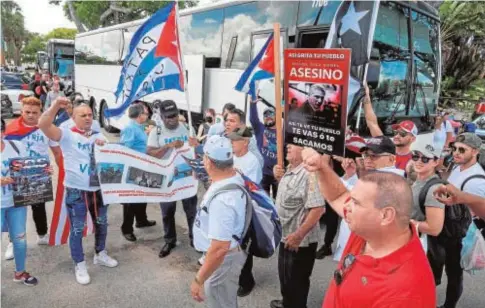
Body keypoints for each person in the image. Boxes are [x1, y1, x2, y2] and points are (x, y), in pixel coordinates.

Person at [301, 148, 436, 307]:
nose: (347, 207)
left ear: (386, 215)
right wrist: (321, 167)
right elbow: (338, 195)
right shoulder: (370, 230)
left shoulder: (407, 292)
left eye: (356, 203)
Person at [38, 97, 118, 285]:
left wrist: (105, 148)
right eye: (83, 115)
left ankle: (100, 253)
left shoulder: (99, 135)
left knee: (102, 223)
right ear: (73, 117)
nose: (88, 118)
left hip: (98, 190)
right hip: (76, 190)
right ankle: (79, 263)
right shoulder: (66, 134)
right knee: (77, 228)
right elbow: (43, 124)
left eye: (90, 114)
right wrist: (56, 105)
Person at [428, 132, 485, 308]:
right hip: (445, 229)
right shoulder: (458, 166)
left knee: (453, 274)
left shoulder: (477, 180)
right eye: (454, 149)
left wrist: (463, 198)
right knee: (433, 267)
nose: (456, 153)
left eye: (462, 149)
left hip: (459, 234)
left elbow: (481, 214)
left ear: (475, 151)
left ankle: (448, 306)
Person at [190, 135, 248, 308]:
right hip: (227, 256)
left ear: (208, 162)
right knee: (226, 300)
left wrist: (198, 279)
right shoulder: (232, 175)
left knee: (221, 302)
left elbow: (219, 249)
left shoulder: (223, 200)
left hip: (224, 260)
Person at [270, 145, 325, 308]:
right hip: (286, 235)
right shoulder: (289, 168)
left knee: (297, 284)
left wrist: (298, 235)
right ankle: (287, 303)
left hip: (300, 242)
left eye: (294, 144)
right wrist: (278, 177)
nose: (287, 146)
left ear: (305, 151)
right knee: (286, 279)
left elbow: (318, 209)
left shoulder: (310, 174)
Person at [4, 97, 62, 249]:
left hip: (39, 175)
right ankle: (13, 242)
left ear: (40, 112)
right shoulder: (10, 130)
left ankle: (42, 234)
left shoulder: (47, 127)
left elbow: (57, 152)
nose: (30, 115)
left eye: (34, 112)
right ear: (21, 111)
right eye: (27, 112)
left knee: (39, 207)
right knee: (15, 210)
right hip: (15, 175)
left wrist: (61, 170)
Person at [147, 100, 198, 258]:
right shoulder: (156, 132)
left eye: (174, 115)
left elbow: (198, 152)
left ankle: (195, 238)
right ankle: (170, 240)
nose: (172, 119)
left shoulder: (188, 129)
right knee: (167, 212)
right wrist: (167, 147)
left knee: (191, 212)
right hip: (167, 180)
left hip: (187, 178)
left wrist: (196, 145)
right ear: (161, 117)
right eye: (168, 117)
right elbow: (150, 153)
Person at [1, 118, 39, 286]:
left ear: (3, 132)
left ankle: (20, 272)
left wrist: (42, 170)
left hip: (16, 202)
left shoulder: (16, 146)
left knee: (20, 239)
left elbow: (28, 169)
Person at [120, 104, 156, 242]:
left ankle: (141, 220)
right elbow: (126, 150)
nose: (147, 116)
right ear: (139, 115)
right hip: (134, 168)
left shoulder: (139, 127)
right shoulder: (129, 129)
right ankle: (127, 229)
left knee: (142, 196)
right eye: (146, 113)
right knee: (131, 200)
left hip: (143, 166)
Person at [408, 143, 445, 238]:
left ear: (436, 162)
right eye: (415, 157)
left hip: (421, 241)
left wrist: (403, 222)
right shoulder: (417, 180)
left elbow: (434, 229)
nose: (419, 161)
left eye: (425, 159)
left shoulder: (435, 189)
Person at [250, 98, 278, 198]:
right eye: (265, 115)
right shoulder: (260, 129)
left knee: (277, 202)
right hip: (262, 174)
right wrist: (252, 104)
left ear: (276, 116)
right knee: (262, 201)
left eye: (271, 114)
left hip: (277, 174)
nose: (268, 117)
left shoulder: (282, 132)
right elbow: (253, 119)